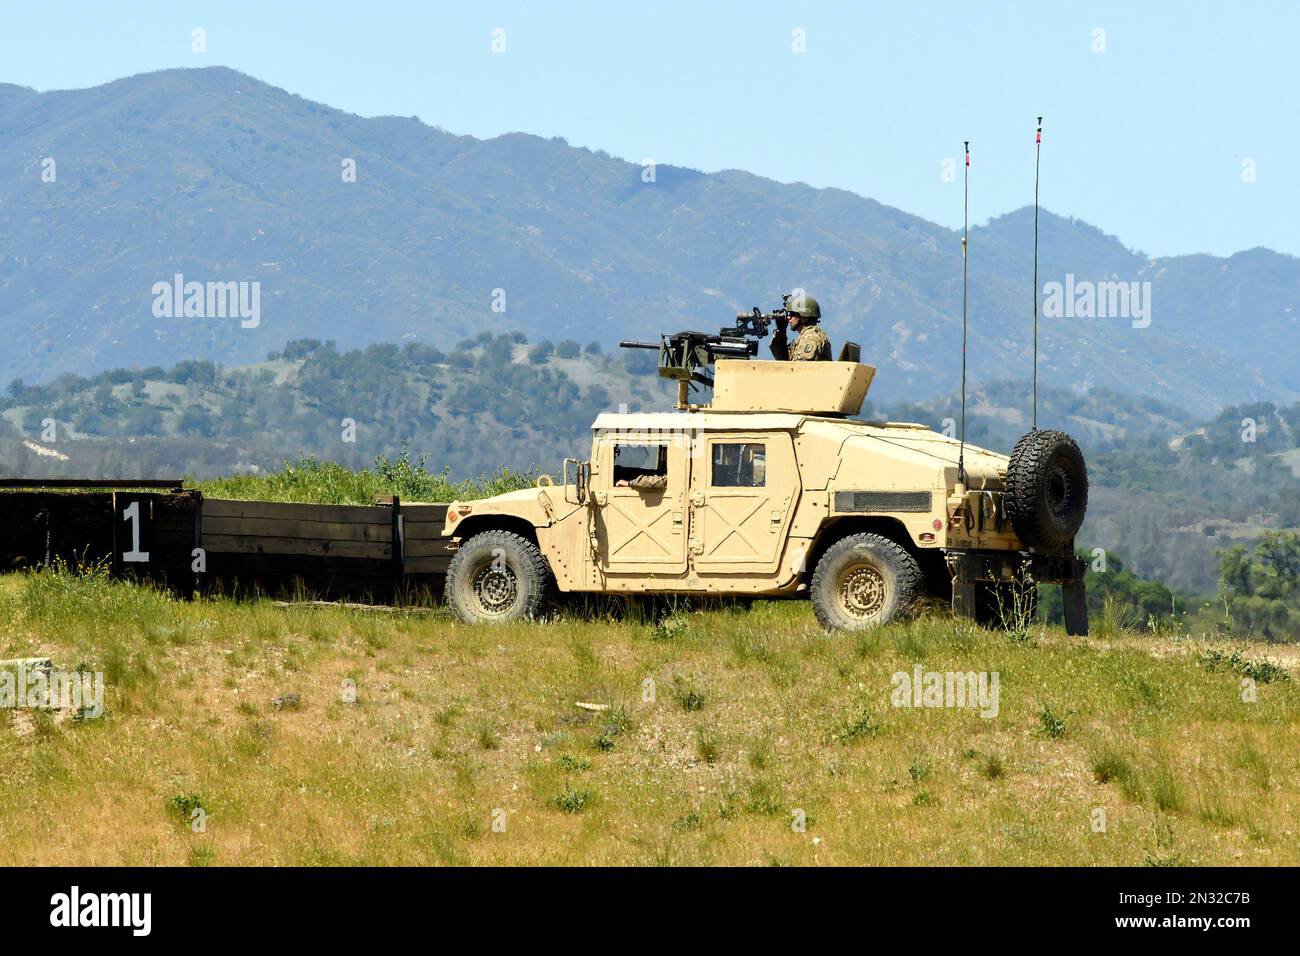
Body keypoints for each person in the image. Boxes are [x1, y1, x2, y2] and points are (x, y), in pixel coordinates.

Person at [770, 294, 832, 361]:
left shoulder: (810, 338)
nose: (788, 318)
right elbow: (783, 360)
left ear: (804, 318)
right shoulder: (805, 337)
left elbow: (800, 368)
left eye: (792, 314)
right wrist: (781, 331)